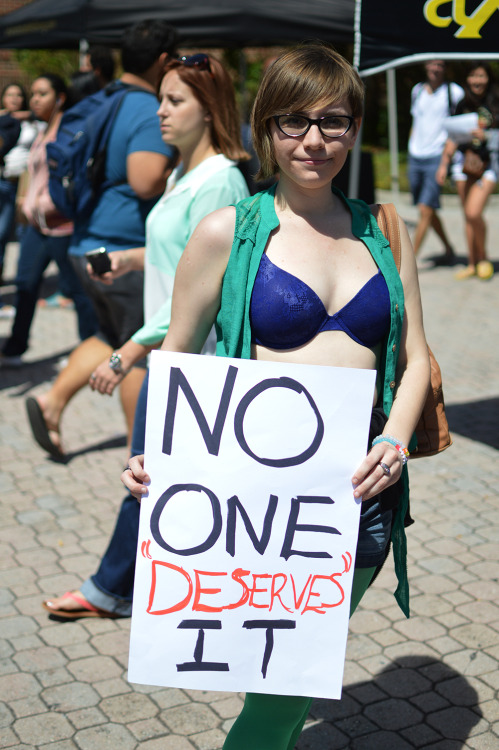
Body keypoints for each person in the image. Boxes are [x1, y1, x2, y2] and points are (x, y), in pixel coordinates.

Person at [122, 43, 430, 750]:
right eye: (293, 121)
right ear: (265, 127)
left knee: (290, 682)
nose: (314, 140)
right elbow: (176, 361)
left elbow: (416, 360)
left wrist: (394, 439)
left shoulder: (384, 229)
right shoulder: (227, 232)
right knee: (282, 689)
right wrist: (150, 457)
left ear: (354, 129)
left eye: (334, 121)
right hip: (247, 500)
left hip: (352, 495)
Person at [42, 52, 250, 619]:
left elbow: (202, 295)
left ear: (209, 110)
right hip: (173, 354)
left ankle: (111, 590)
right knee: (158, 474)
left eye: (174, 100)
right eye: (161, 98)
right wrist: (130, 261)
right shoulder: (184, 173)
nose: (159, 111)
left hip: (192, 359)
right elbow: (179, 259)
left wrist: (128, 349)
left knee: (149, 471)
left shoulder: (220, 182)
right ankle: (150, 586)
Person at [25, 20, 178, 458]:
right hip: (122, 249)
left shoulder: (102, 99)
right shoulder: (147, 107)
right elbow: (145, 179)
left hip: (84, 243)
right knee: (139, 347)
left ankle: (51, 402)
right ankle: (140, 458)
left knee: (108, 334)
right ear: (164, 61)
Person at [0, 74, 98, 367]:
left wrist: (47, 204)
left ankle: (90, 349)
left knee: (78, 290)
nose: (35, 100)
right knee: (25, 283)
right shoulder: (41, 131)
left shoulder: (67, 132)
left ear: (60, 98)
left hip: (61, 226)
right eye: (34, 94)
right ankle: (16, 347)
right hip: (36, 226)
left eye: (42, 94)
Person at [436, 61, 499, 281]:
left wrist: (488, 137)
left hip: (489, 164)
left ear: (488, 78)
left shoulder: (495, 101)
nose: (477, 81)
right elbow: (453, 135)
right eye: (473, 76)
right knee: (468, 216)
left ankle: (484, 258)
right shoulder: (462, 103)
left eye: (481, 76)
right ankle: (472, 263)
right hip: (464, 165)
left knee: (474, 213)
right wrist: (444, 164)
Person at [408, 59, 463, 261]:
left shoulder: (454, 92)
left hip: (437, 157)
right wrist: (410, 147)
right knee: (427, 209)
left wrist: (445, 163)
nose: (436, 68)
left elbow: (458, 129)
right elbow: (416, 121)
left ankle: (408, 260)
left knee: (425, 208)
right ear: (426, 65)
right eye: (432, 64)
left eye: (440, 65)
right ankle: (449, 248)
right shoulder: (417, 90)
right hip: (416, 155)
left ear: (446, 68)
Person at [0, 82, 41, 315]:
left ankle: (23, 282)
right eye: (9, 94)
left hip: (26, 185)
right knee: (1, 235)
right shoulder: (3, 120)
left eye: (18, 94)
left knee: (23, 236)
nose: (14, 98)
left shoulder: (33, 121)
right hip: (4, 182)